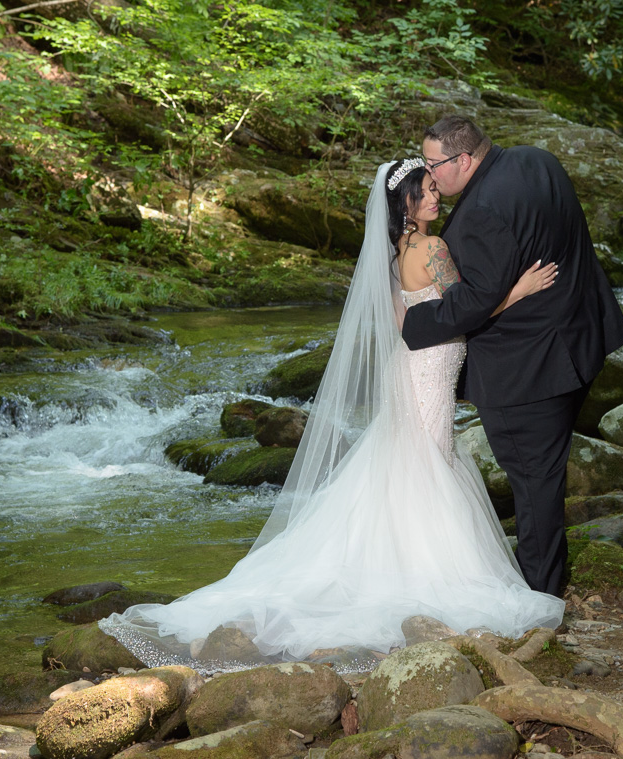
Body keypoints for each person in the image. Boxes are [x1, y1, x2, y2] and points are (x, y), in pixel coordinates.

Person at [99, 159, 565, 671]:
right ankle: (416, 577)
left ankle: (389, 563)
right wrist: (517, 290)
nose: (436, 198)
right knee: (427, 468)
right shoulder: (431, 248)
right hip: (428, 369)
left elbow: (406, 320)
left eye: (436, 188)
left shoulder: (395, 253)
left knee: (409, 465)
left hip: (412, 366)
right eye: (425, 191)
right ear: (404, 203)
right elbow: (464, 310)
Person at [401, 116, 623, 599]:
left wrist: (410, 325)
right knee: (545, 477)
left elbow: (475, 301)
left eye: (434, 164)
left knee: (533, 485)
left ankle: (540, 597)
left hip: (526, 371)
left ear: (463, 159)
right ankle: (546, 579)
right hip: (581, 340)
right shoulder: (537, 160)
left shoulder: (482, 209)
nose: (431, 177)